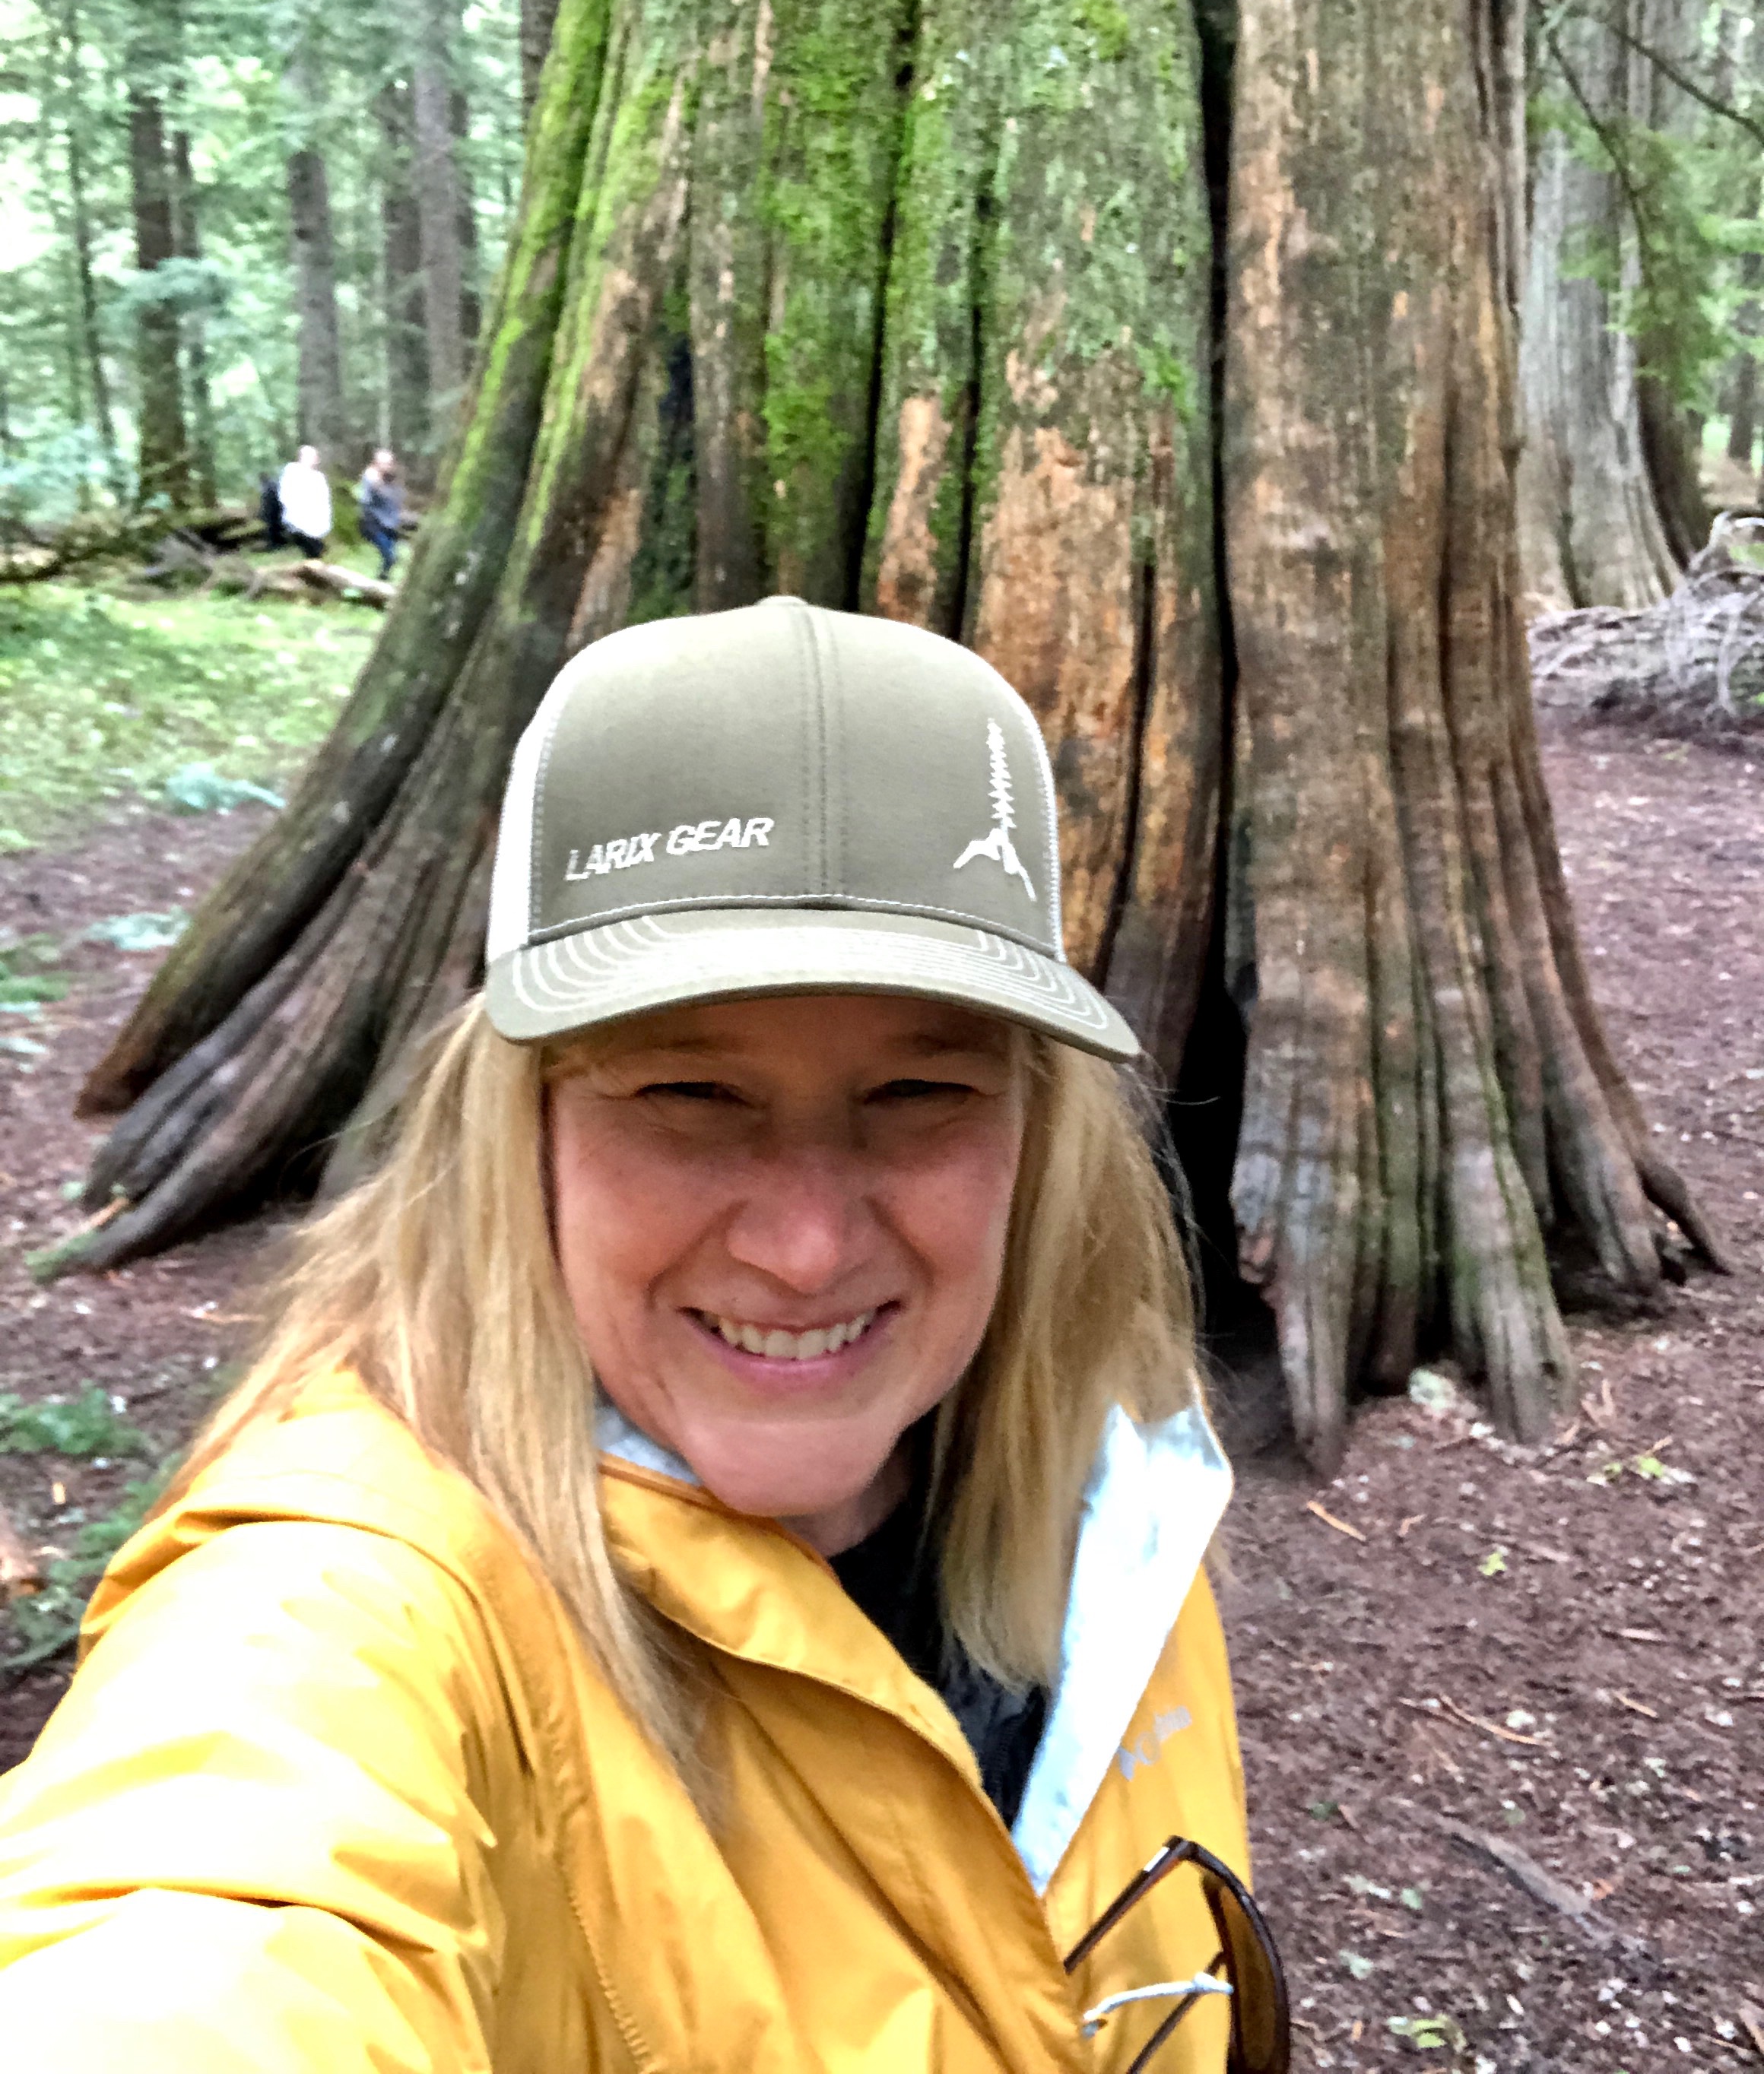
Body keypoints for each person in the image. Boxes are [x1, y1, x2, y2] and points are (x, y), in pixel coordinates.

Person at [0, 600, 1287, 2073]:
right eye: (688, 1093)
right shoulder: (349, 1592)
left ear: (1037, 1129)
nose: (806, 1245)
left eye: (919, 1093)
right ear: (524, 1122)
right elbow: (202, 1921)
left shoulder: (1109, 1486)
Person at [277, 442, 332, 560]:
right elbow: (286, 496)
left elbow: (323, 499)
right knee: (314, 550)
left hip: (315, 520)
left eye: (315, 457)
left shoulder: (318, 477)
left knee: (317, 551)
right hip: (298, 521)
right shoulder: (292, 473)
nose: (314, 459)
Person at [357, 446, 404, 581]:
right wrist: (376, 483)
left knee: (393, 557)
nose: (387, 466)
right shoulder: (370, 477)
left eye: (389, 463)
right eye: (383, 463)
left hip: (390, 525)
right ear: (376, 463)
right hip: (373, 524)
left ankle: (382, 577)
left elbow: (396, 499)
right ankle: (377, 580)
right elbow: (366, 498)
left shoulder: (392, 480)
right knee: (389, 555)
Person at [257, 466, 284, 551]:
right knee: (277, 528)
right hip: (277, 510)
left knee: (272, 529)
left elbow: (266, 501)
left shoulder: (266, 487)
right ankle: (279, 543)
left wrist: (264, 513)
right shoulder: (274, 485)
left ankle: (275, 544)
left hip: (271, 512)